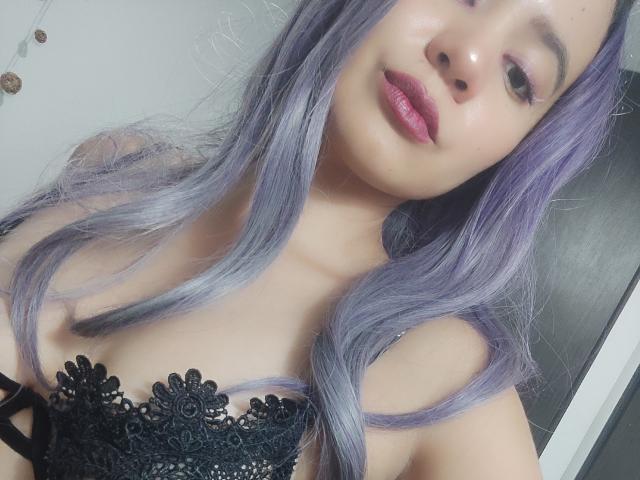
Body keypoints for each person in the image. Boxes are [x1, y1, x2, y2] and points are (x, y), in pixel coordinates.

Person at [0, 0, 636, 479]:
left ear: (521, 149)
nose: (465, 56)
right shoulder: (116, 166)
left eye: (520, 76)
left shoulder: (445, 379)